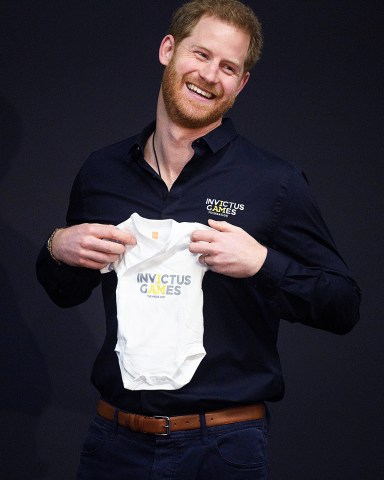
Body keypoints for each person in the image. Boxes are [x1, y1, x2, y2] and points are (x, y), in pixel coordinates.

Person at [36, 0, 361, 478]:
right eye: (201, 54)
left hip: (223, 447)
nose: (211, 75)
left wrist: (263, 263)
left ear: (242, 83)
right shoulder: (102, 171)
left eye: (229, 67)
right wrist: (56, 248)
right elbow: (65, 293)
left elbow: (343, 306)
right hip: (113, 444)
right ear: (169, 49)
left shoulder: (274, 182)